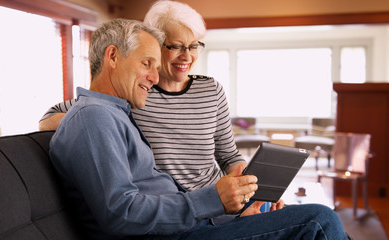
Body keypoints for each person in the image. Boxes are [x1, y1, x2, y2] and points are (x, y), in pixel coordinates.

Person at [49, 18, 349, 239]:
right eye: (147, 63)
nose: (154, 77)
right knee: (319, 220)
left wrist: (230, 206)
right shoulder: (94, 117)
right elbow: (120, 213)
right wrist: (213, 200)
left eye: (157, 66)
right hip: (175, 234)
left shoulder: (114, 113)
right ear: (113, 57)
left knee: (312, 220)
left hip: (194, 224)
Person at [41, 0, 246, 193]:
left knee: (276, 214)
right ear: (156, 45)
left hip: (221, 199)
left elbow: (229, 155)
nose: (187, 56)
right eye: (175, 46)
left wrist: (250, 194)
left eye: (193, 46)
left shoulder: (211, 89)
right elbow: (51, 118)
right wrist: (104, 123)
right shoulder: (134, 92)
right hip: (178, 206)